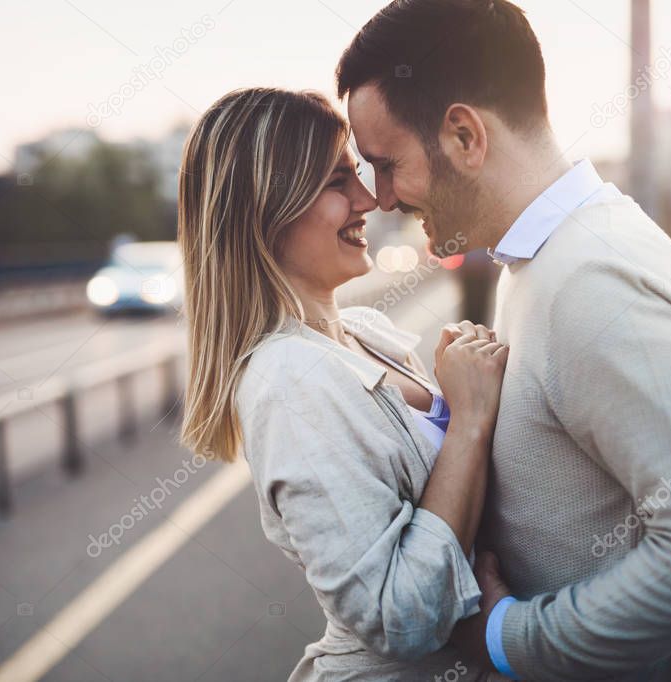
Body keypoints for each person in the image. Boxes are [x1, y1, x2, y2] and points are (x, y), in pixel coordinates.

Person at [337, 1, 671, 679]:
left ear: (463, 136)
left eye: (386, 164)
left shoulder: (594, 283)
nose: (384, 199)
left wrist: (508, 637)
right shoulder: (542, 262)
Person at [177, 86, 510, 680]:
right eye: (337, 182)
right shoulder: (287, 381)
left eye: (357, 173)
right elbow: (397, 618)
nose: (368, 199)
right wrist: (470, 421)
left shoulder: (364, 331)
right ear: (267, 208)